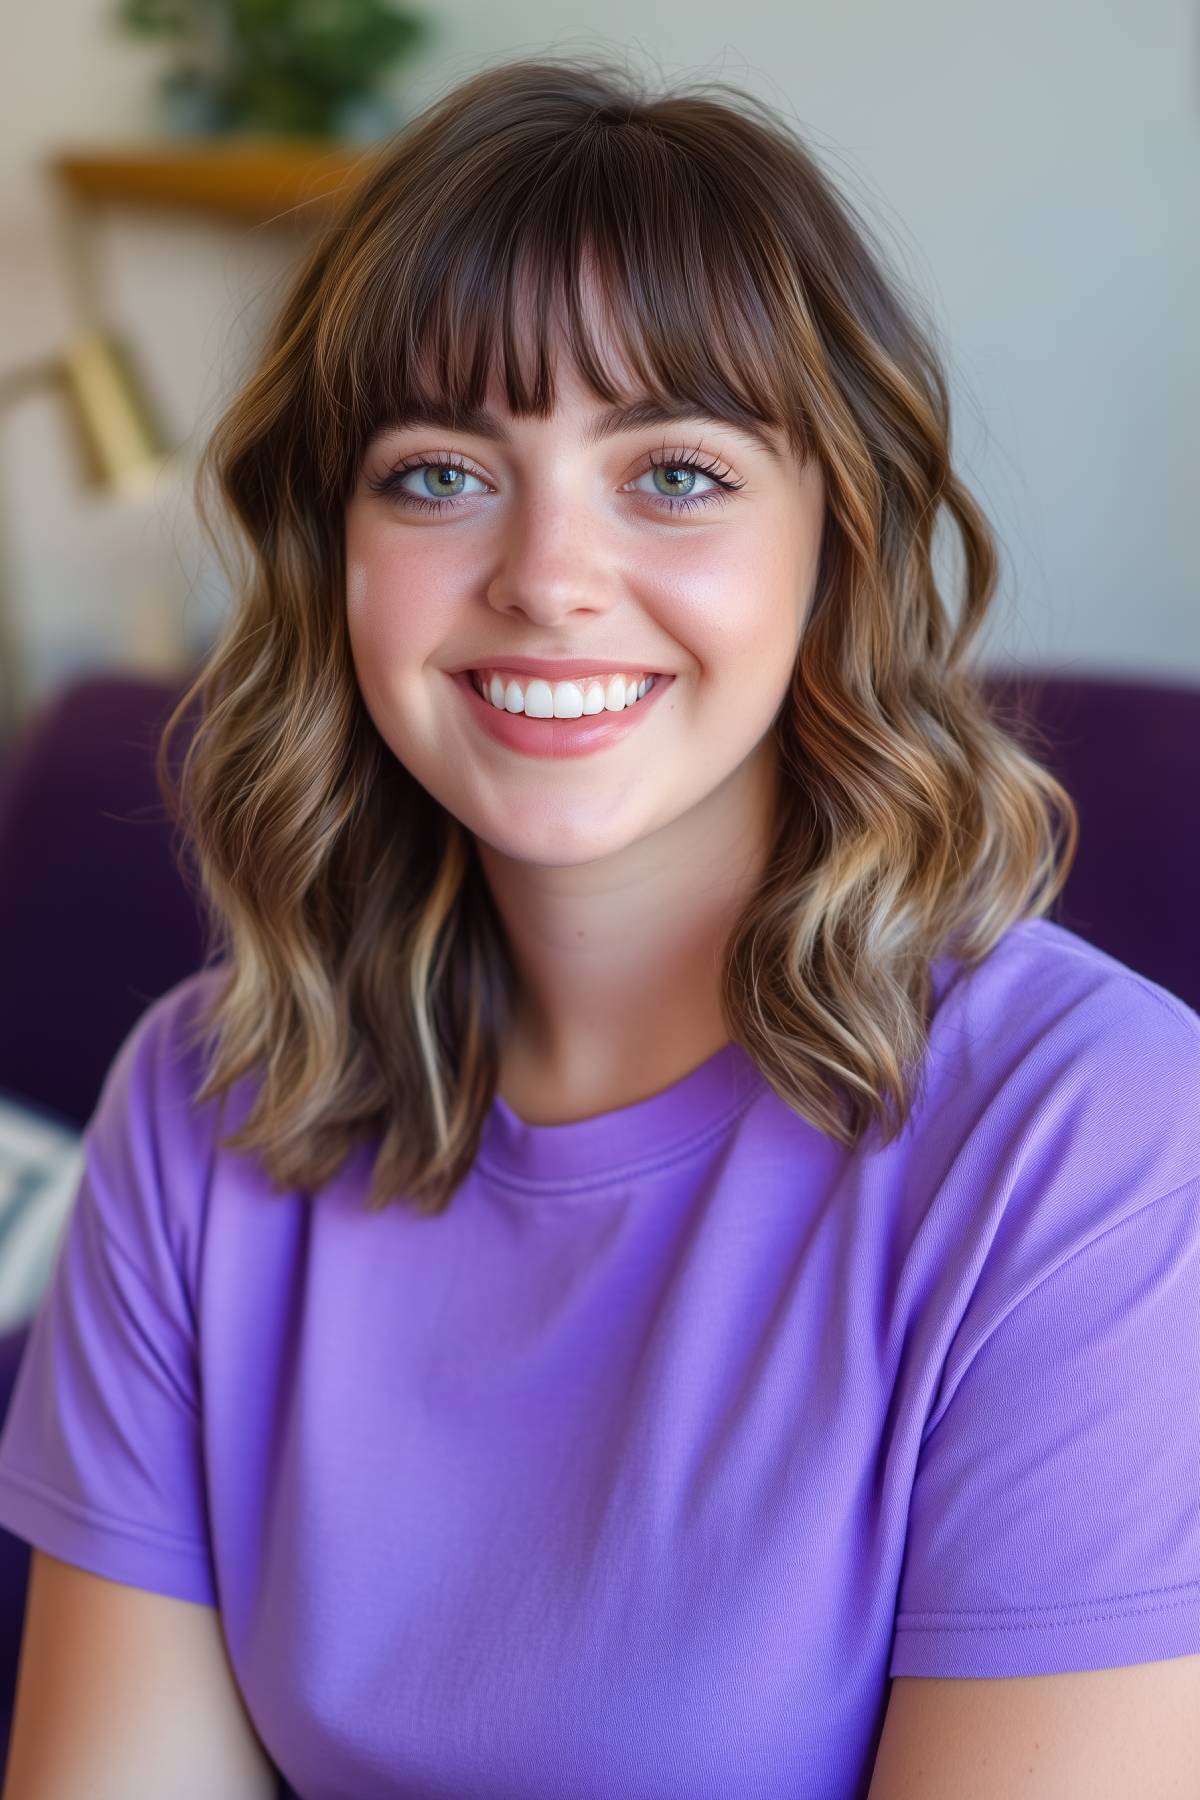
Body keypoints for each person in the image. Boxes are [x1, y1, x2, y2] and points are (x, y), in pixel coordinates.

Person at [0, 53, 1197, 1800]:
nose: (548, 573)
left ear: (834, 545)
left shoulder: (1094, 1138)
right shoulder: (199, 1107)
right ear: (331, 551)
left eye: (680, 474)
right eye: (436, 474)